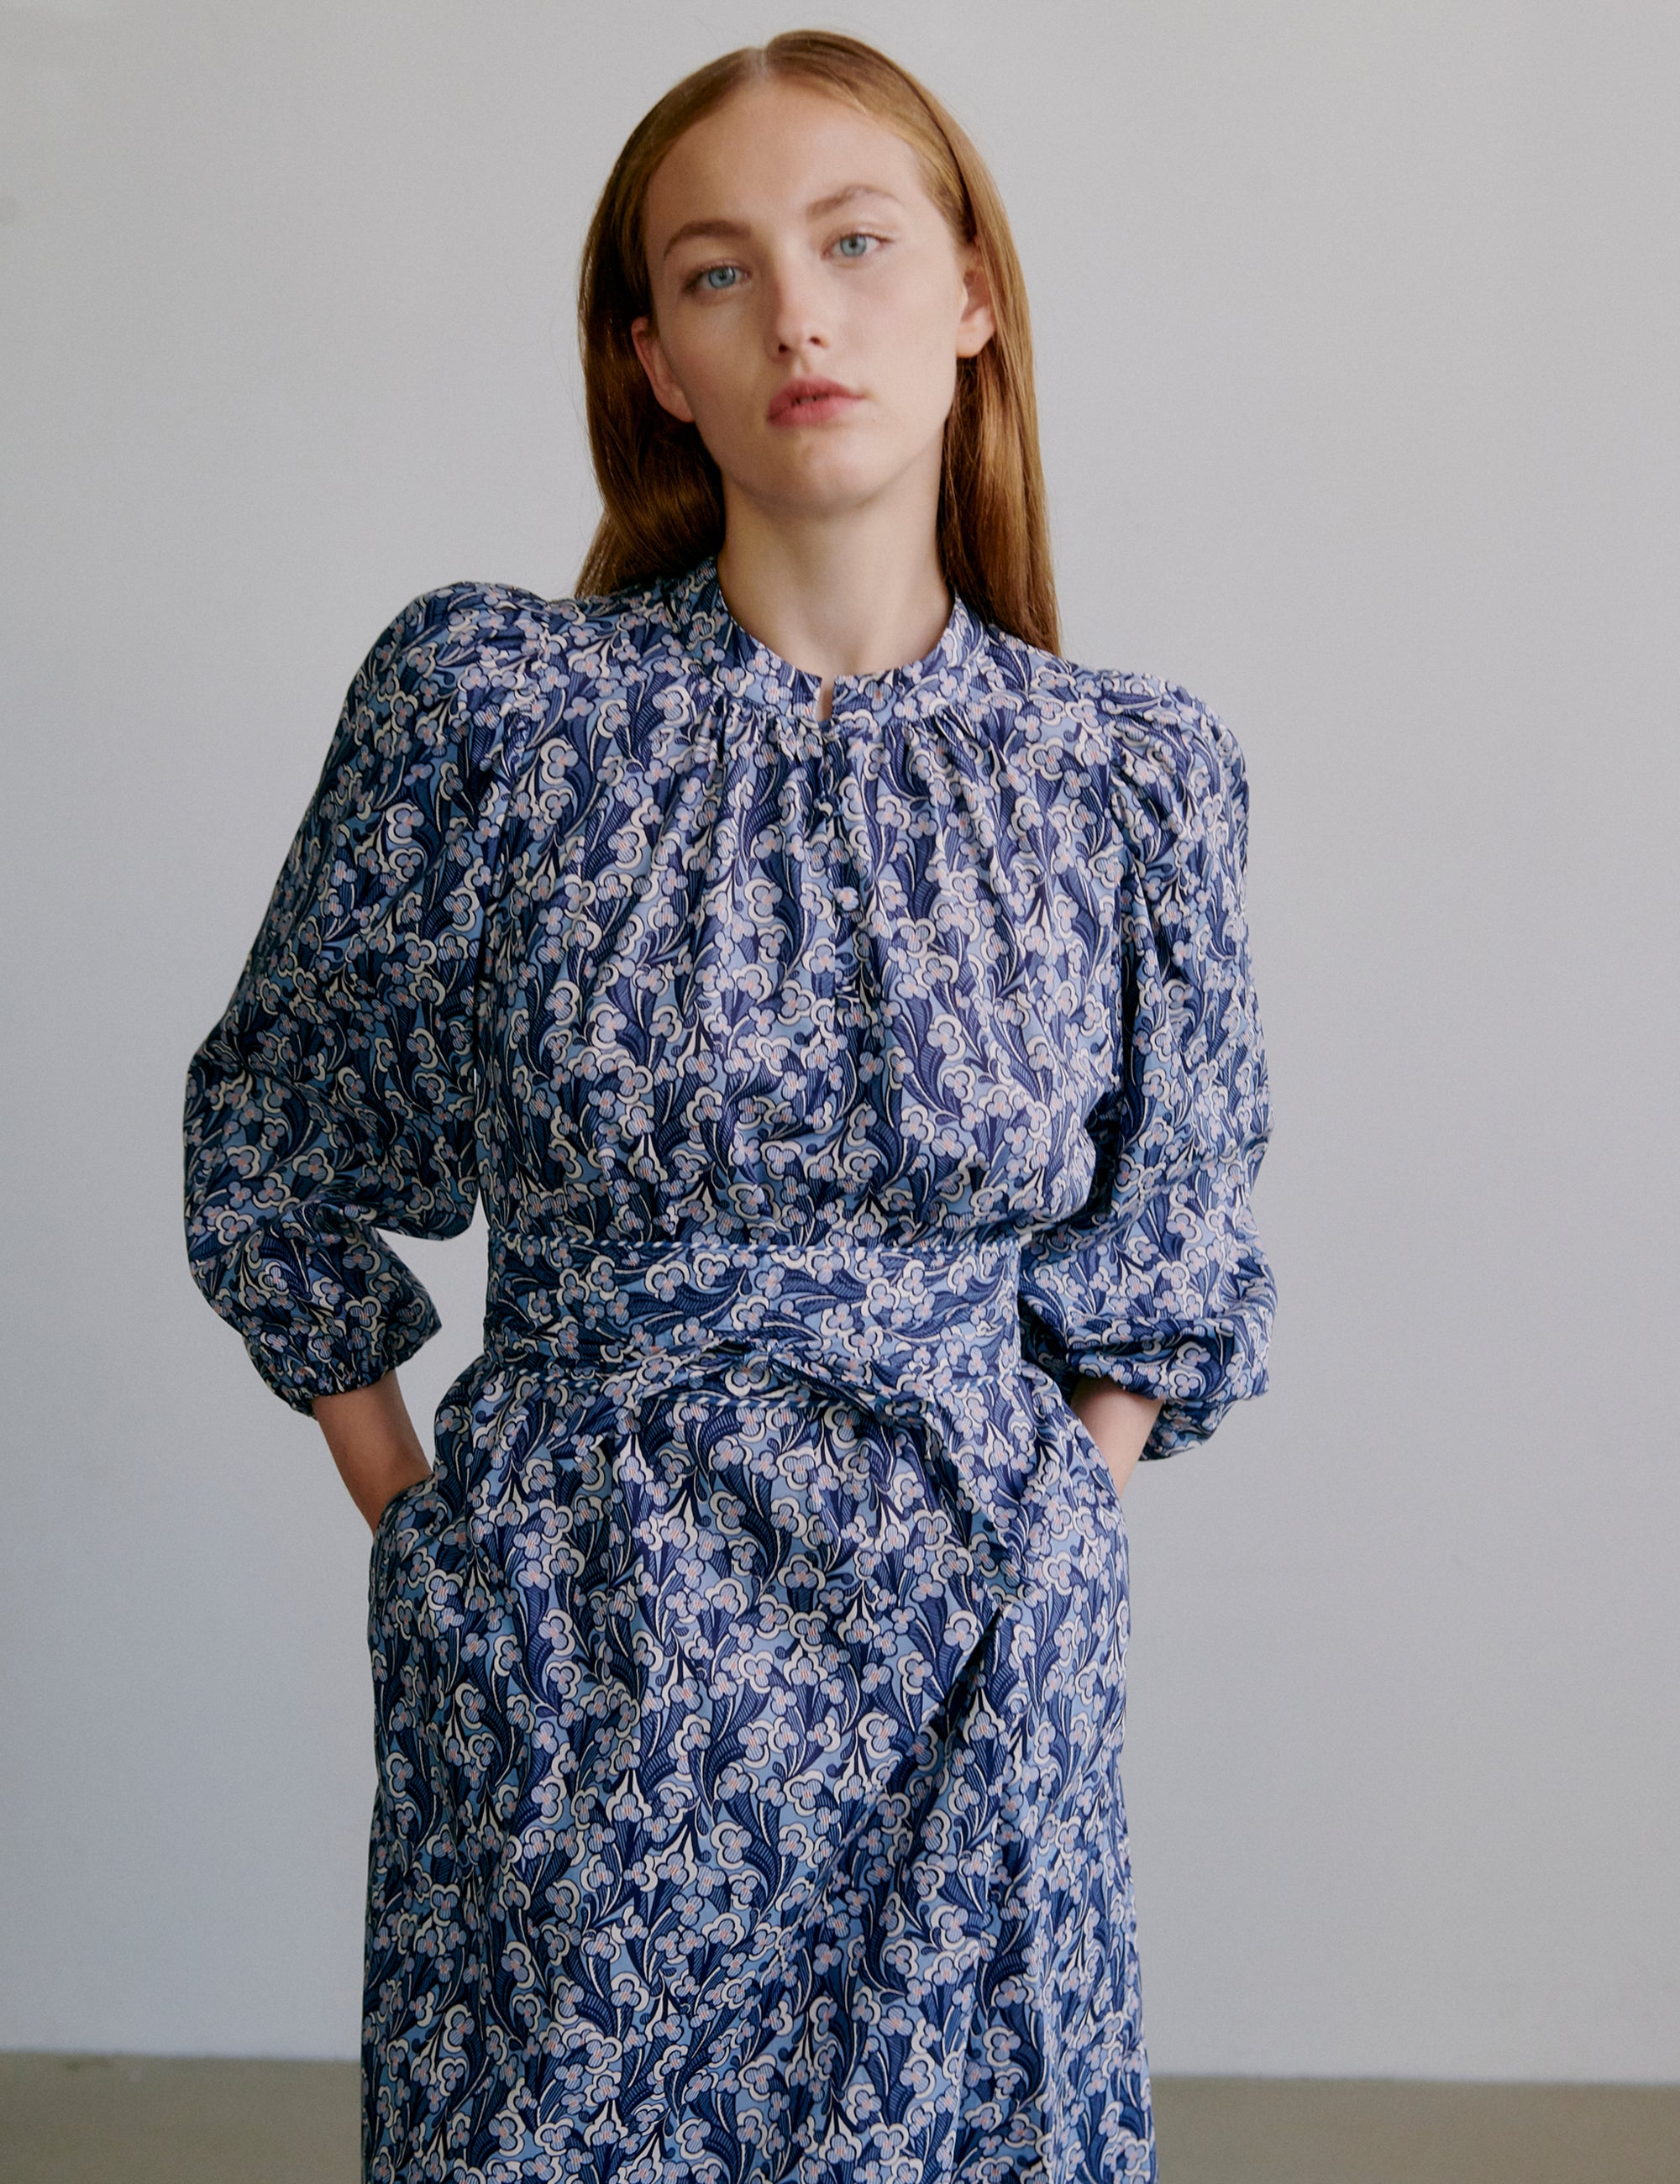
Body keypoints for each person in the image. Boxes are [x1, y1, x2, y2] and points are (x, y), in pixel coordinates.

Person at [182, 29, 1273, 2183]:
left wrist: (1059, 1527)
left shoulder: (1132, 773)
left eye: (857, 241)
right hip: (578, 1656)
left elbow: (1179, 1232)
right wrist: (435, 1545)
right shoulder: (491, 705)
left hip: (973, 1659)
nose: (797, 312)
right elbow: (279, 1138)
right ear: (654, 363)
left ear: (970, 293)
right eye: (714, 271)